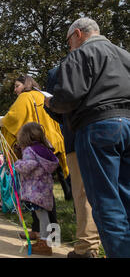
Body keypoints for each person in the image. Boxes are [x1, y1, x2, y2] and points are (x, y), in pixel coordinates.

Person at [46, 17, 130, 258]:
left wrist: (51, 102)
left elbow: (68, 97)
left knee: (105, 202)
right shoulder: (125, 55)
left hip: (98, 128)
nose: (69, 45)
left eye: (68, 40)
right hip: (128, 125)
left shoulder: (80, 55)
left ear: (78, 35)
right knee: (126, 196)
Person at [0, 75, 65, 240]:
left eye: (17, 85)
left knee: (35, 195)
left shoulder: (24, 97)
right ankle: (48, 231)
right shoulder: (43, 95)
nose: (15, 89)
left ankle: (43, 232)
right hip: (49, 144)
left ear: (26, 84)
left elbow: (13, 118)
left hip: (33, 147)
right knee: (46, 193)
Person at [45, 67, 100, 258]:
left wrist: (48, 104)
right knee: (115, 190)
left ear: (76, 35)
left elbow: (57, 106)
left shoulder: (60, 71)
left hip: (79, 135)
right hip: (118, 127)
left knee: (84, 193)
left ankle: (87, 246)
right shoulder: (118, 57)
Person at [14, 123, 60, 256]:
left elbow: (29, 165)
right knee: (43, 214)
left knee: (41, 215)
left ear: (25, 136)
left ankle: (44, 243)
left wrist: (17, 164)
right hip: (44, 188)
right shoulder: (44, 148)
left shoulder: (30, 150)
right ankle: (44, 240)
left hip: (35, 189)